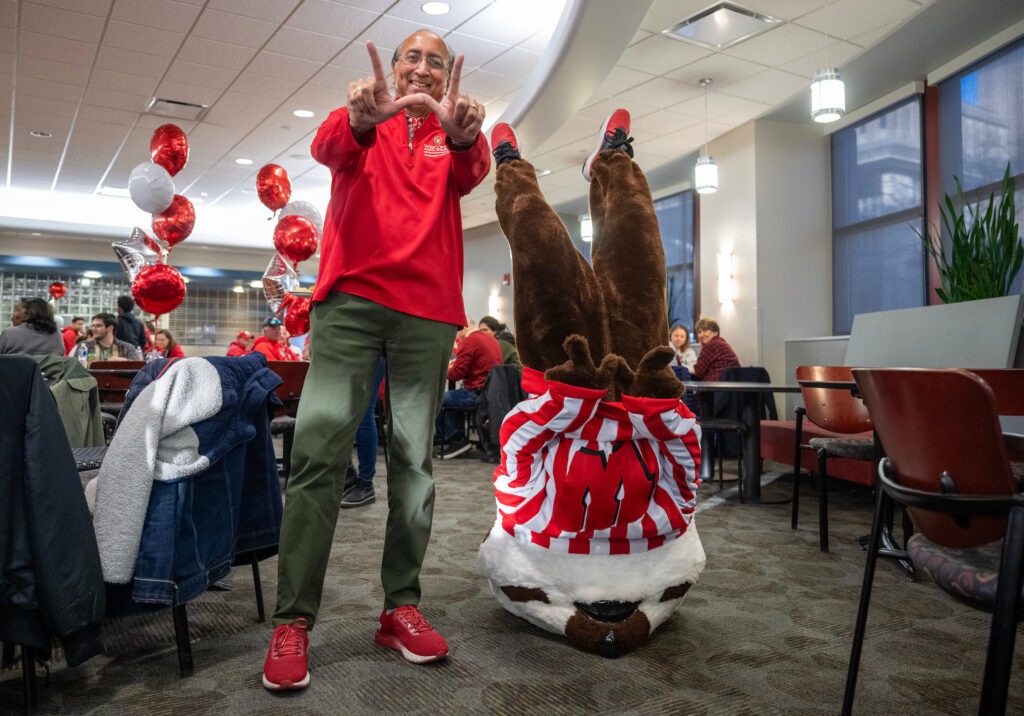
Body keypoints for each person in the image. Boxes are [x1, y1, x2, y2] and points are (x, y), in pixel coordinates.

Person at [261, 29, 489, 691]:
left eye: (435, 62)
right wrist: (366, 116)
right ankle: (293, 620)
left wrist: (470, 135)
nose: (422, 68)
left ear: (447, 81)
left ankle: (401, 608)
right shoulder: (358, 123)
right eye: (411, 57)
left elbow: (475, 174)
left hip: (428, 313)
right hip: (351, 301)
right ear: (393, 71)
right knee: (318, 453)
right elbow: (328, 143)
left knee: (415, 462)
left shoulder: (452, 139)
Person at [435, 325, 502, 458]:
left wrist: (441, 370)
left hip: (475, 393)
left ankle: (456, 439)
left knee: (437, 398)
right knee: (451, 398)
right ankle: (457, 437)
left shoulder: (469, 341)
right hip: (488, 393)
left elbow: (457, 373)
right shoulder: (489, 338)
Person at [340, 356, 387, 509]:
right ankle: (349, 475)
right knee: (345, 409)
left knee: (364, 413)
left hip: (373, 347)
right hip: (360, 347)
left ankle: (365, 483)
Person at [0, 297, 65, 356]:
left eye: (18, 310)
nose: (13, 314)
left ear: (29, 314)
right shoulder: (57, 335)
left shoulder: (9, 334)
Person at [76, 313, 142, 364]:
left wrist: (124, 360)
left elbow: (137, 365)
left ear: (110, 328)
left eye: (98, 326)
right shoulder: (85, 346)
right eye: (92, 326)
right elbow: (74, 367)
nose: (93, 329)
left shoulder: (126, 347)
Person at [691, 317, 740, 382]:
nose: (701, 335)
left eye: (705, 331)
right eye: (699, 332)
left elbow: (698, 371)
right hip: (731, 385)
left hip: (716, 386)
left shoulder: (711, 345)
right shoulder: (721, 342)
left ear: (715, 332)